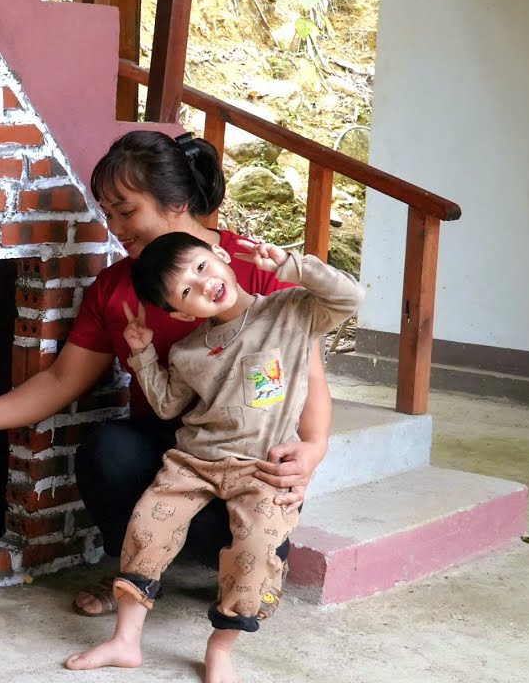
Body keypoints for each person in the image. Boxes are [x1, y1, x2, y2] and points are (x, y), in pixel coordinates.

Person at [0, 130, 333, 616]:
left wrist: (313, 449)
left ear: (176, 201)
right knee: (107, 451)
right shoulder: (113, 290)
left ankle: (240, 565)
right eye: (107, 213)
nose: (114, 225)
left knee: (222, 536)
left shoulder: (253, 267)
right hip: (175, 453)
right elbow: (59, 381)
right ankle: (137, 575)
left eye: (126, 210)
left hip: (252, 457)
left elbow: (312, 377)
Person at [63, 231, 362, 682]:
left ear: (221, 255)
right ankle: (126, 641)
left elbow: (351, 295)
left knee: (257, 548)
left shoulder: (292, 310)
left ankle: (220, 649)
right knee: (147, 526)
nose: (203, 284)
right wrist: (142, 353)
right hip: (193, 463)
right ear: (183, 312)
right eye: (186, 290)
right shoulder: (188, 350)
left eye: (201, 267)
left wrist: (291, 265)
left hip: (262, 469)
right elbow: (166, 406)